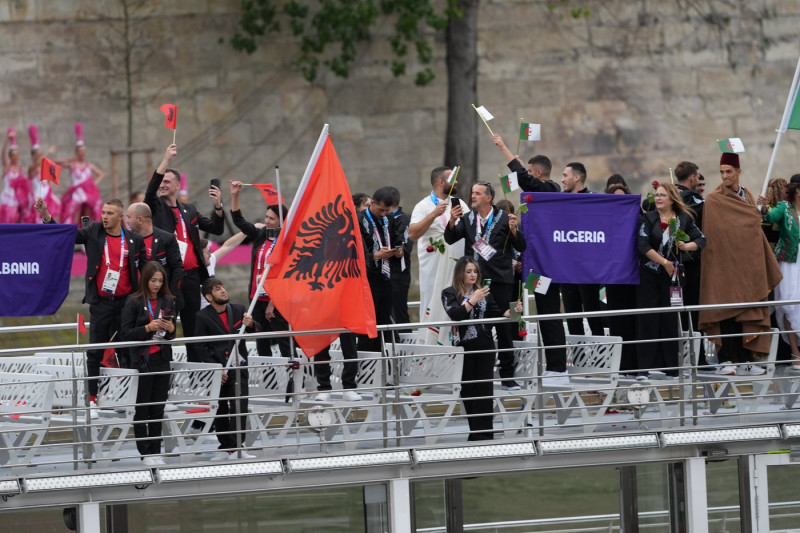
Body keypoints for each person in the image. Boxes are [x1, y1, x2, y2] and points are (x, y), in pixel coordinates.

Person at [38, 197, 146, 406]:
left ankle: (126, 395)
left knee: (127, 349)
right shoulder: (94, 231)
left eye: (109, 213)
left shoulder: (134, 240)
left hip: (126, 302)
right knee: (95, 351)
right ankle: (93, 398)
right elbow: (68, 236)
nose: (104, 217)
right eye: (103, 212)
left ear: (120, 217)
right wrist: (46, 215)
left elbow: (145, 268)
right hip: (101, 302)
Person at [492, 135, 568, 381]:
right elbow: (525, 178)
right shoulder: (544, 189)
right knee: (526, 309)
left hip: (546, 266)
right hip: (532, 265)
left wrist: (504, 148)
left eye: (530, 174)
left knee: (548, 312)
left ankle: (557, 367)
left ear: (538, 173)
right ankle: (534, 364)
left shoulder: (551, 189)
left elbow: (523, 179)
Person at [699, 152, 782, 376]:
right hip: (723, 266)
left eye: (729, 171)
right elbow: (716, 232)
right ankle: (726, 360)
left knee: (747, 311)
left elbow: (751, 227)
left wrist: (759, 211)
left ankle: (747, 360)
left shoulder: (747, 195)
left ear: (738, 172)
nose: (725, 176)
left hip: (746, 265)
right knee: (725, 312)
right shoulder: (715, 199)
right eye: (722, 172)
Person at [145, 144, 224, 362]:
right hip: (168, 278)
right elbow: (150, 191)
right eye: (161, 181)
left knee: (193, 329)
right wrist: (165, 161)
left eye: (167, 182)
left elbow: (216, 228)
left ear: (178, 185)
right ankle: (163, 374)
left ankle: (196, 379)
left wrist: (218, 207)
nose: (162, 185)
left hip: (191, 279)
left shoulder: (189, 210)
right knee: (165, 328)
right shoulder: (157, 207)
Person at [445, 181, 526, 388]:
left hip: (501, 280)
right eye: (472, 192)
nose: (473, 196)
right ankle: (481, 374)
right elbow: (450, 238)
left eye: (478, 193)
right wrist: (452, 221)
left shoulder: (504, 218)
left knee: (506, 328)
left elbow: (521, 246)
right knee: (480, 328)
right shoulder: (468, 218)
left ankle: (508, 376)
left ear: (488, 198)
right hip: (477, 283)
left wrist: (514, 231)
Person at [442, 257, 521, 441]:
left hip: (485, 346)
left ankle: (486, 434)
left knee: (485, 391)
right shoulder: (449, 293)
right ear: (460, 273)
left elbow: (495, 312)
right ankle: (475, 431)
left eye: (475, 271)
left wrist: (512, 312)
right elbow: (455, 314)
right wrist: (472, 301)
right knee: (468, 391)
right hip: (463, 348)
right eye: (468, 271)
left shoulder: (483, 291)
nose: (472, 275)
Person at [636, 183, 706, 377]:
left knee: (670, 320)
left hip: (672, 278)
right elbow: (642, 245)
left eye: (662, 195)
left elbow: (701, 240)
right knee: (648, 320)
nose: (658, 198)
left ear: (672, 198)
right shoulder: (648, 218)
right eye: (656, 195)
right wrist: (664, 262)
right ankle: (644, 368)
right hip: (649, 275)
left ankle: (672, 368)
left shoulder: (684, 219)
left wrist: (687, 246)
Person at [120, 261, 177, 465]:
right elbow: (125, 333)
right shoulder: (134, 302)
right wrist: (147, 327)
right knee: (142, 408)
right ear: (146, 280)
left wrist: (170, 329)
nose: (157, 284)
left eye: (161, 281)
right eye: (154, 280)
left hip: (161, 359)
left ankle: (155, 450)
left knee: (158, 408)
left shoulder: (169, 300)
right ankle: (145, 452)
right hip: (142, 361)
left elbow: (172, 335)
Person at [195, 278, 258, 460]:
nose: (223, 290)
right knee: (221, 409)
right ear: (209, 297)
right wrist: (217, 369)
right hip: (219, 371)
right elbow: (200, 347)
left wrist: (251, 323)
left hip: (239, 367)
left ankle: (238, 447)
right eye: (217, 289)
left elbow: (254, 331)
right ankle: (226, 448)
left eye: (222, 287)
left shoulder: (238, 310)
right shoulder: (202, 317)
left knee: (240, 407)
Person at [229, 180, 291, 358]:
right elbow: (239, 221)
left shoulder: (286, 242)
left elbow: (285, 274)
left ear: (281, 220)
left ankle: (291, 379)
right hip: (257, 296)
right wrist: (235, 195)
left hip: (276, 300)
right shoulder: (261, 234)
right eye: (266, 218)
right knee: (261, 341)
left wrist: (273, 302)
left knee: (284, 342)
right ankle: (268, 379)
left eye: (271, 219)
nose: (267, 221)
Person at [409, 166, 468, 336]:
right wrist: (433, 214)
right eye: (453, 178)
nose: (456, 182)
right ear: (441, 182)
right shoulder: (423, 206)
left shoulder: (459, 203)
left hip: (456, 265)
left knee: (457, 301)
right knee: (432, 302)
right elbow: (412, 234)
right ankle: (428, 346)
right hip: (433, 265)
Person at [559, 162, 605, 336]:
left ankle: (601, 359)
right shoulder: (559, 200)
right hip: (566, 270)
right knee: (572, 317)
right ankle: (579, 359)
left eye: (565, 175)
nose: (562, 179)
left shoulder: (594, 200)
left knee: (594, 315)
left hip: (588, 270)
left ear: (577, 177)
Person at [357, 186, 404, 352]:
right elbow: (355, 254)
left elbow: (398, 239)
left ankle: (383, 365)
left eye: (387, 211)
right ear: (372, 202)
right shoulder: (358, 220)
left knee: (384, 322)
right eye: (381, 209)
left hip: (387, 276)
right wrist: (375, 256)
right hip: (368, 280)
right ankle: (367, 364)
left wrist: (398, 250)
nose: (383, 213)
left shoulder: (388, 219)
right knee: (368, 325)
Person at [760, 174, 800, 370]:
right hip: (790, 261)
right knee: (789, 304)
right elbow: (770, 217)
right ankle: (795, 352)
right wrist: (764, 207)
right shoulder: (784, 207)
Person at [126, 202, 184, 305]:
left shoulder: (167, 239)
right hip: (139, 298)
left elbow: (177, 268)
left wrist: (170, 295)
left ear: (140, 219)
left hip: (163, 298)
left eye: (129, 217)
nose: (127, 221)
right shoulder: (128, 240)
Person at [60, 123, 104, 225]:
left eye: (84, 151)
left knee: (88, 211)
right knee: (76, 210)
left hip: (88, 191)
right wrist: (71, 159)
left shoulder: (89, 165)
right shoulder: (72, 164)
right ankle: (75, 231)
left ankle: (86, 230)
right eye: (80, 151)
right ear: (76, 152)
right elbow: (56, 162)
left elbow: (101, 174)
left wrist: (94, 183)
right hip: (77, 192)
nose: (82, 154)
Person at [388, 189, 413, 332]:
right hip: (387, 272)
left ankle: (405, 344)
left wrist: (399, 250)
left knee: (399, 312)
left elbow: (404, 245)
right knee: (389, 312)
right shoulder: (385, 219)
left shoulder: (402, 219)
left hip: (399, 273)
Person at [28, 125, 60, 224]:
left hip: (48, 196)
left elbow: (49, 181)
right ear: (33, 155)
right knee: (38, 220)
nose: (41, 155)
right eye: (38, 154)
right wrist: (48, 153)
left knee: (50, 217)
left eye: (41, 153)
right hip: (37, 197)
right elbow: (37, 164)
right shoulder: (31, 169)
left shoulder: (45, 166)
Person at [0, 128, 33, 223]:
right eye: (14, 155)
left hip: (16, 199)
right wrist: (7, 139)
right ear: (10, 156)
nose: (16, 157)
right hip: (7, 198)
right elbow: (3, 156)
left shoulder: (20, 169)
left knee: (16, 219)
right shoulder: (7, 167)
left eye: (17, 155)